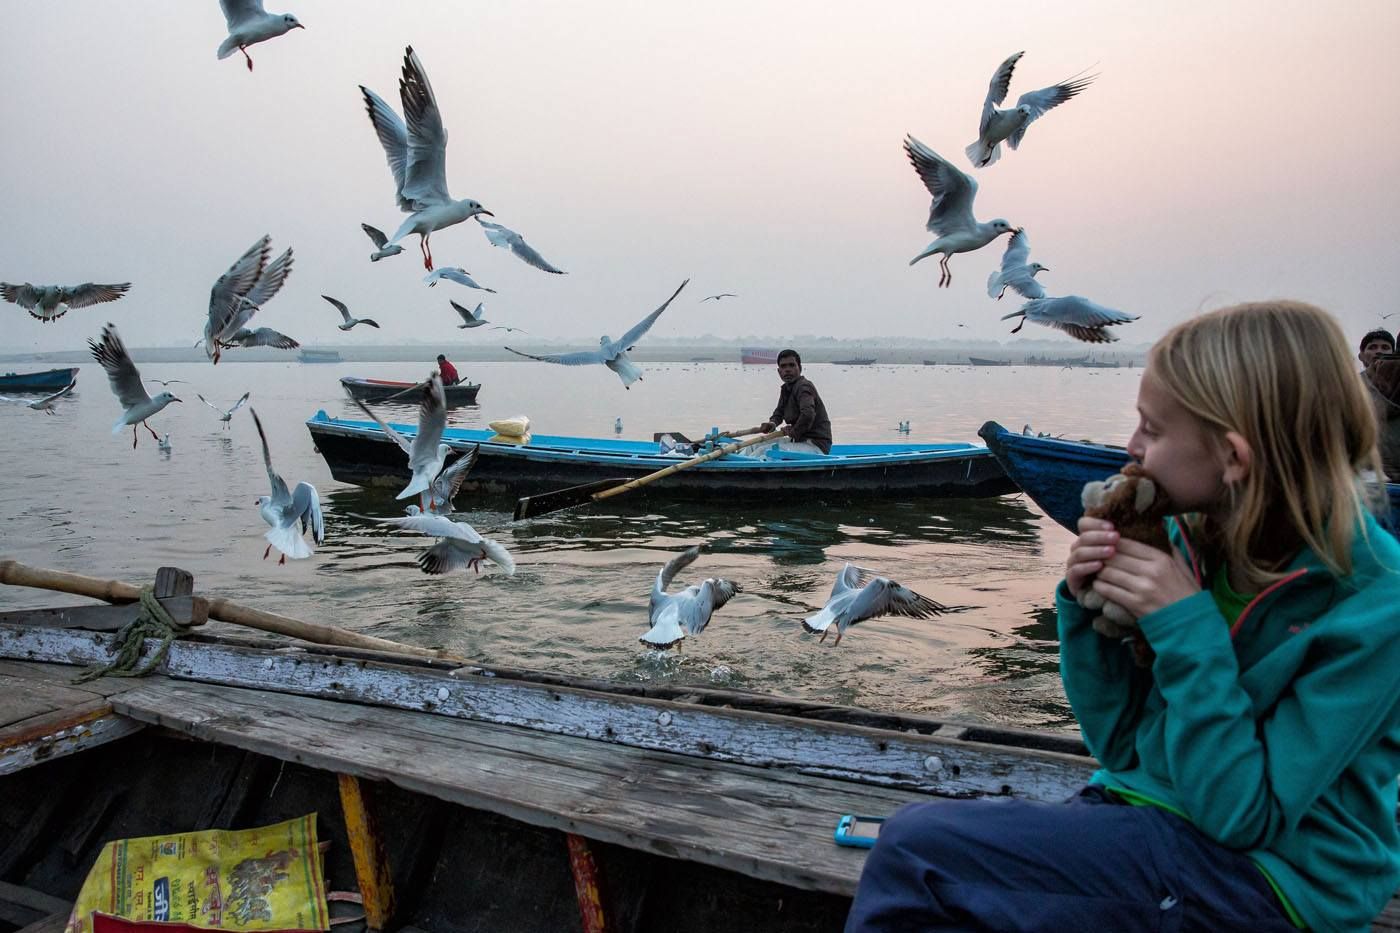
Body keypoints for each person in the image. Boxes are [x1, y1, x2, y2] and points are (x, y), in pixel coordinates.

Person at [845, 301, 1400, 932]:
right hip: (1152, 815)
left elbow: (1243, 817)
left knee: (916, 852)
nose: (1131, 449)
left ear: (1235, 459)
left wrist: (1185, 625)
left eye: (1153, 432)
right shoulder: (1192, 537)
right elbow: (1121, 748)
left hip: (1275, 882)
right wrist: (1084, 610)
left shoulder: (1376, 604)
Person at [731, 349, 832, 454]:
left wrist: (794, 431)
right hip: (799, 441)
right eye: (783, 367)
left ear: (800, 368)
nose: (787, 370)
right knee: (754, 446)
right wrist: (772, 423)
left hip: (815, 445)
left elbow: (808, 414)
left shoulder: (804, 387)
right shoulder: (786, 389)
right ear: (779, 371)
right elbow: (779, 413)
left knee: (764, 451)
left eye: (792, 365)